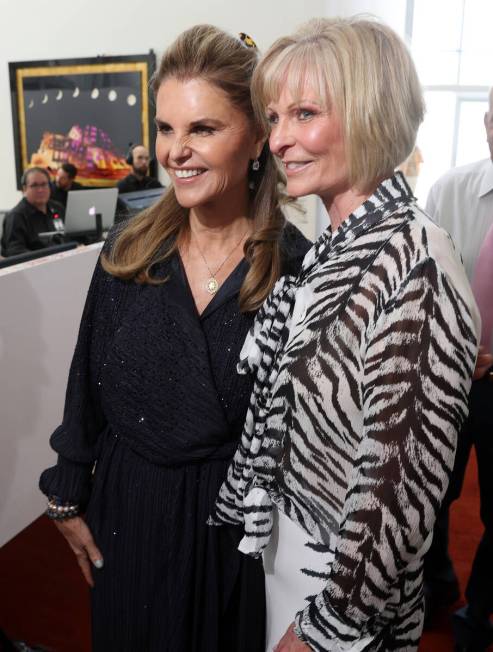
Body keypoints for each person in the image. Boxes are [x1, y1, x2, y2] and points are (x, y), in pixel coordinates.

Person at [211, 17, 480, 652]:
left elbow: (397, 494)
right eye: (274, 118)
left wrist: (323, 628)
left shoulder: (415, 263)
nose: (279, 139)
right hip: (291, 560)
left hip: (342, 604)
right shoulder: (330, 252)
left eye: (304, 113)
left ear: (369, 114)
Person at [39, 24, 310, 652]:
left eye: (202, 129)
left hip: (231, 540)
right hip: (126, 516)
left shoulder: (295, 271)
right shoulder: (130, 251)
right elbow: (88, 384)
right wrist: (68, 494)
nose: (175, 151)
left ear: (257, 140)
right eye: (165, 128)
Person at [423, 87, 493, 652]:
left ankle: (478, 608)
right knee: (431, 493)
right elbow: (421, 282)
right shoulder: (449, 191)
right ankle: (435, 586)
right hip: (443, 378)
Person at [1, 167, 65, 257]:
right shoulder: (16, 216)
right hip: (35, 267)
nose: (40, 190)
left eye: (44, 184)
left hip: (63, 261)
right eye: (34, 185)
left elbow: (69, 237)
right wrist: (46, 258)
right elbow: (15, 251)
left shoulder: (58, 208)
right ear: (24, 189)